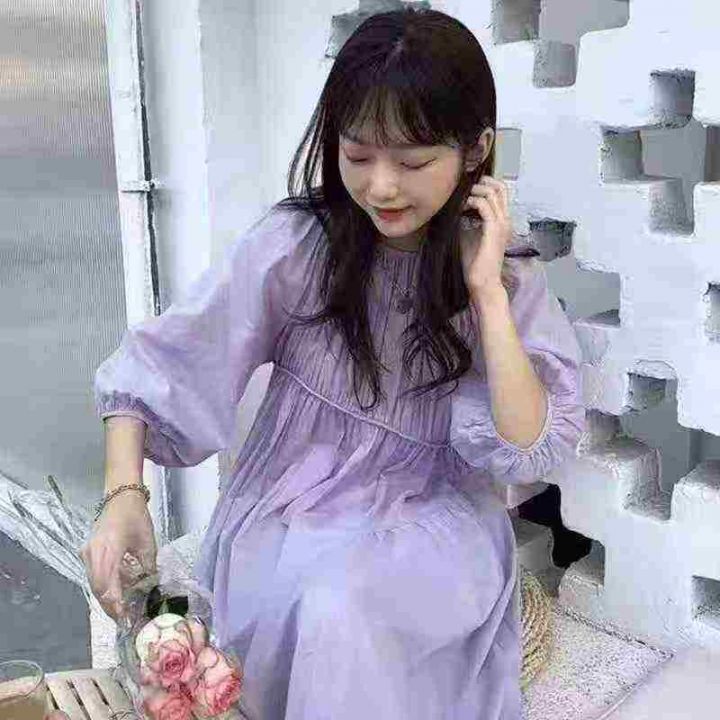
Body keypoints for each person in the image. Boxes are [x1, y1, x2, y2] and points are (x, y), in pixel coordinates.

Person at [81, 7, 584, 719]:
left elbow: (530, 443)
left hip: (433, 520)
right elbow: (164, 360)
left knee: (342, 608)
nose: (381, 187)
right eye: (357, 155)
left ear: (476, 150)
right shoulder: (297, 246)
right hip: (291, 508)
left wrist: (487, 296)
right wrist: (123, 494)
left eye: (413, 162)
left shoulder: (503, 274)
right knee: (315, 608)